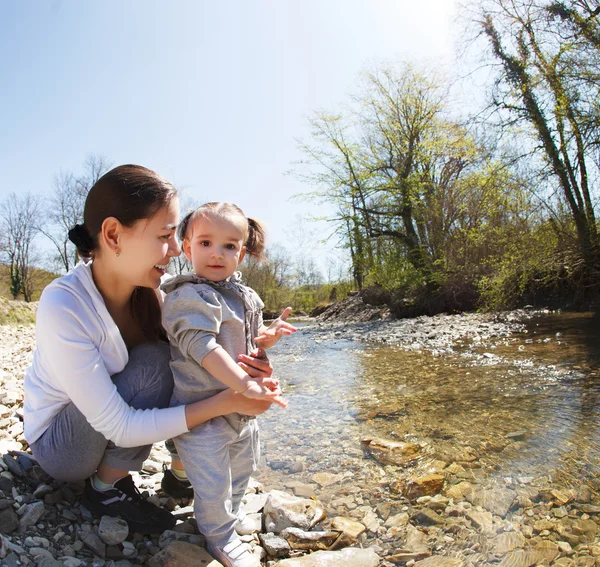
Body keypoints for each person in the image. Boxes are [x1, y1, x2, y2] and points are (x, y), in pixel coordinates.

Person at [23, 165, 275, 535]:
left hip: (109, 420)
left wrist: (254, 366)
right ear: (113, 235)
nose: (177, 249)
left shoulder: (158, 295)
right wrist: (229, 401)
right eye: (166, 235)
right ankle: (105, 488)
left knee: (185, 358)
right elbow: (120, 425)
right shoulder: (64, 302)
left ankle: (179, 472)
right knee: (157, 362)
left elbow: (206, 354)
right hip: (65, 447)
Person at [160, 202, 296, 567]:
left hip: (240, 414)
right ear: (186, 248)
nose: (216, 254)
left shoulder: (243, 296)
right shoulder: (187, 297)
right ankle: (217, 533)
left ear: (243, 252)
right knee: (213, 482)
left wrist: (264, 341)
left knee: (243, 469)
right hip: (203, 415)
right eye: (205, 243)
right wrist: (244, 386)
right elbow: (202, 347)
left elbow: (245, 346)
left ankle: (230, 518)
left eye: (229, 246)